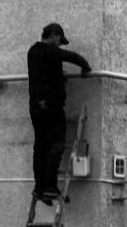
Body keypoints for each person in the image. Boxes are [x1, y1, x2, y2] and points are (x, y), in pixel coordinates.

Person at [27, 23, 91, 204]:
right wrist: (85, 67)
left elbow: (43, 74)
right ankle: (50, 188)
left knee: (40, 147)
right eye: (58, 40)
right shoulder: (51, 51)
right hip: (51, 107)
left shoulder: (32, 52)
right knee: (55, 145)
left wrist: (58, 76)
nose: (59, 45)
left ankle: (39, 188)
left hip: (35, 107)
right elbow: (72, 57)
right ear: (54, 35)